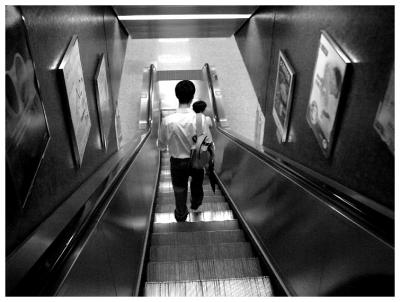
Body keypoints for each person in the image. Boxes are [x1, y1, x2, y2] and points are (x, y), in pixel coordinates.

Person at [157, 80, 210, 222]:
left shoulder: (167, 121)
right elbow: (206, 143)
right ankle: (195, 203)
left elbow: (161, 144)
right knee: (197, 184)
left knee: (179, 190)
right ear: (192, 97)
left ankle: (181, 213)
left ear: (177, 96)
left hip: (177, 162)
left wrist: (164, 147)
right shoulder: (201, 119)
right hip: (197, 159)